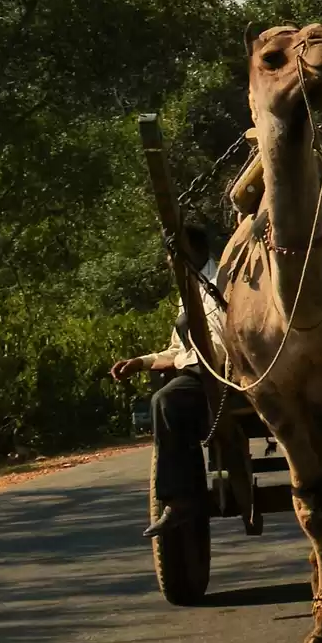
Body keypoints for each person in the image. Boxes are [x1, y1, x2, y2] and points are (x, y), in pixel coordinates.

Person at [110, 224, 225, 538]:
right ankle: (186, 488)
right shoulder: (189, 291)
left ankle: (181, 498)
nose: (168, 261)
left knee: (166, 402)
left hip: (223, 377)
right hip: (199, 372)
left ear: (190, 251)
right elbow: (179, 349)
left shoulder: (223, 281)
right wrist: (141, 362)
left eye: (171, 253)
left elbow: (221, 345)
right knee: (167, 398)